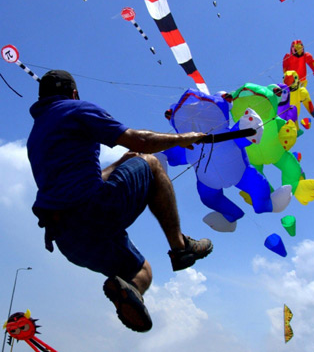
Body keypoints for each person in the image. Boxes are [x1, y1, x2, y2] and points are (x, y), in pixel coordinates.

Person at [27, 70, 213, 333]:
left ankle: (130, 292)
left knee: (143, 272)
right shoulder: (76, 109)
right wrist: (185, 139)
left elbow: (84, 182)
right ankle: (181, 248)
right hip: (95, 212)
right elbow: (142, 141)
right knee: (151, 163)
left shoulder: (36, 136)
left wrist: (120, 164)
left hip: (69, 241)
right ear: (74, 93)